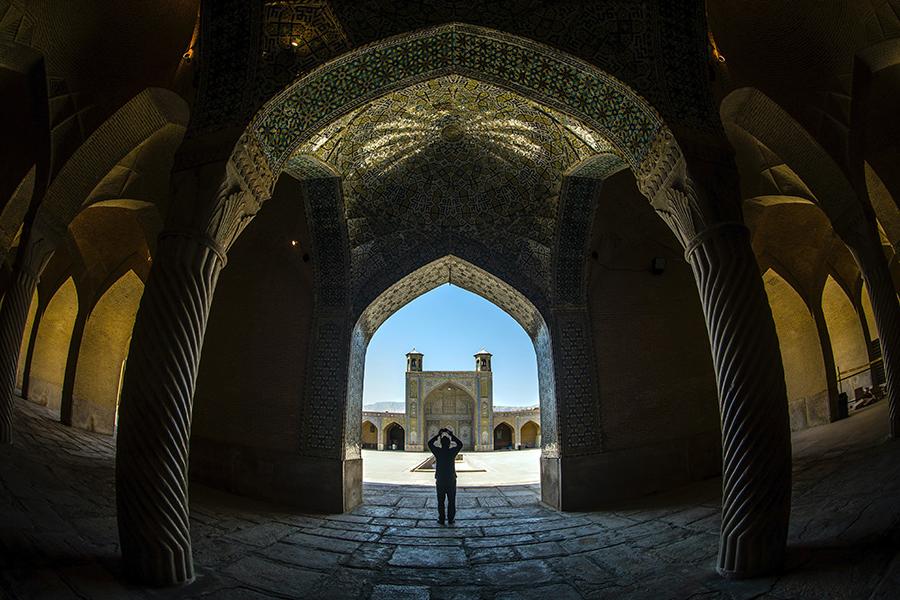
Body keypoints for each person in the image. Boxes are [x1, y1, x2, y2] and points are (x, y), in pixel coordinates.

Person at [427, 427, 462, 525]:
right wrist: (451, 435)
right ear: (449, 444)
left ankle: (441, 519)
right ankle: (451, 519)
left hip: (440, 479)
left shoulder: (438, 452)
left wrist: (438, 435)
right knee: (451, 501)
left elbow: (429, 443)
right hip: (451, 479)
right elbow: (460, 444)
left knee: (440, 501)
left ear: (441, 443)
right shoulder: (452, 452)